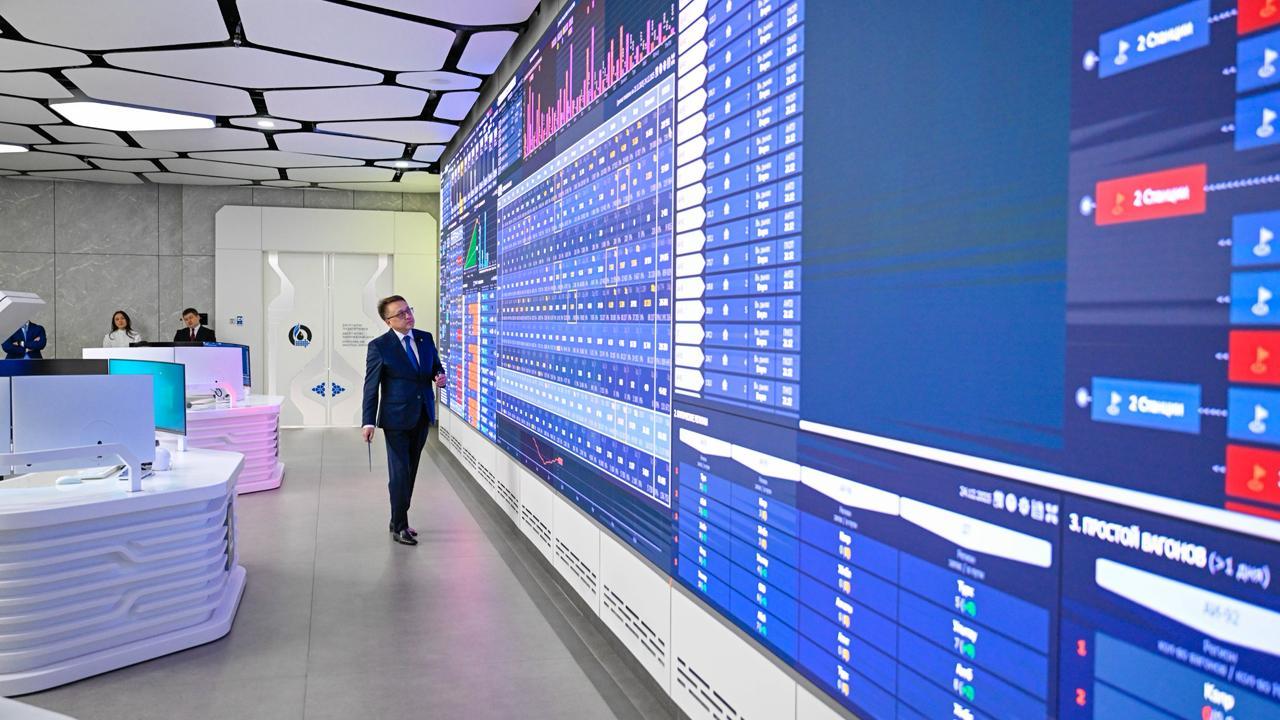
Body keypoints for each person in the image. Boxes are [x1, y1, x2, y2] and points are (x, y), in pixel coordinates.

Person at [361, 295, 446, 546]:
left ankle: (396, 518)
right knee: (399, 473)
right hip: (395, 419)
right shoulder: (379, 346)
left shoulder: (425, 338)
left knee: (410, 472)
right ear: (388, 321)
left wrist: (440, 376)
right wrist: (368, 422)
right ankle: (400, 526)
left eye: (408, 310)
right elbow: (371, 387)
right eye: (400, 314)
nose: (407, 315)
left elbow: (436, 367)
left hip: (422, 414)